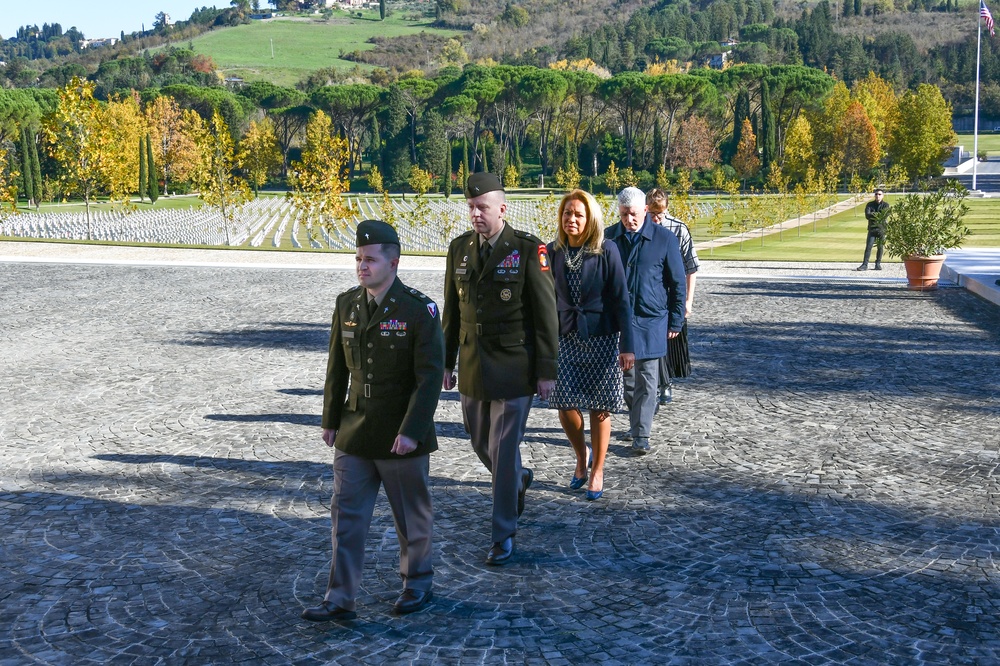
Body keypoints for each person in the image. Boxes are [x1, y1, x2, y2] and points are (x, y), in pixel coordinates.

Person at [301, 219, 444, 622]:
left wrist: (412, 431)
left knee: (411, 519)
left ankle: (417, 584)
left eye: (370, 260)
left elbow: (429, 377)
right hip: (356, 430)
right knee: (346, 518)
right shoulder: (347, 304)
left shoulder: (419, 309)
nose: (361, 266)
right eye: (358, 259)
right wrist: (330, 419)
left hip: (402, 434)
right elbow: (336, 369)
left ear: (394, 262)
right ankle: (340, 597)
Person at [442, 172, 559, 565]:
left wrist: (546, 371)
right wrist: (446, 361)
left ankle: (503, 534)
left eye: (483, 208)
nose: (476, 214)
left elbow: (546, 317)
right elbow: (451, 314)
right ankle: (518, 480)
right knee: (480, 443)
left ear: (502, 209)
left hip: (514, 367)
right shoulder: (458, 249)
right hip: (473, 363)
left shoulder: (528, 250)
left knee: (503, 448)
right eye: (471, 208)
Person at [547, 189, 634, 501]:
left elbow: (622, 300)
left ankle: (597, 469)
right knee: (562, 400)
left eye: (578, 214)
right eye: (567, 213)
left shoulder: (606, 250)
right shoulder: (551, 251)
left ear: (590, 219)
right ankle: (580, 457)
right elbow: (542, 298)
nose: (572, 219)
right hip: (564, 336)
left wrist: (628, 345)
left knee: (600, 406)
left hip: (602, 338)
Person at [605, 187, 686, 454]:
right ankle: (636, 419)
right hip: (619, 320)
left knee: (648, 378)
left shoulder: (664, 239)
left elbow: (677, 282)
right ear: (619, 212)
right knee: (627, 378)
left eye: (635, 214)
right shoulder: (608, 238)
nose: (630, 220)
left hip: (652, 318)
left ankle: (642, 434)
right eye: (625, 214)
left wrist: (676, 321)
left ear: (646, 211)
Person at [645, 188, 699, 406]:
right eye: (653, 214)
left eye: (661, 214)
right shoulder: (641, 228)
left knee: (671, 341)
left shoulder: (679, 229)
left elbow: (691, 268)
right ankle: (657, 385)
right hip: (650, 291)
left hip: (672, 291)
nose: (657, 219)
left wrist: (688, 301)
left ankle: (666, 383)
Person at [858, 188, 890, 271]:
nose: (877, 196)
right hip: (872, 229)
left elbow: (884, 216)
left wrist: (873, 214)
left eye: (879, 194)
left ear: (882, 196)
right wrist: (878, 215)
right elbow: (867, 215)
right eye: (876, 194)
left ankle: (878, 264)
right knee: (868, 247)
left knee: (880, 247)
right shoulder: (870, 205)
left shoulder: (886, 205)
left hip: (881, 229)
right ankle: (865, 264)